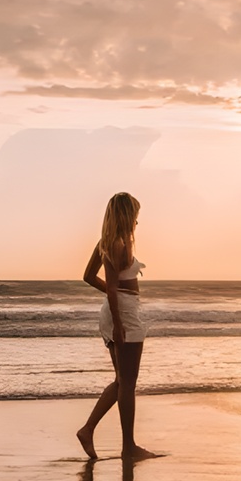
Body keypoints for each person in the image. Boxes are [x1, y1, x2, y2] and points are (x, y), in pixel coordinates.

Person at [78, 192, 159, 461]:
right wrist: (119, 322)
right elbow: (111, 287)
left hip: (122, 310)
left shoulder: (109, 241)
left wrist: (120, 294)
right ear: (126, 215)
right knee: (128, 382)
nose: (137, 221)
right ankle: (128, 447)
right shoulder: (116, 244)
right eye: (135, 215)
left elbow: (89, 277)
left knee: (123, 380)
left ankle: (88, 430)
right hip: (123, 314)